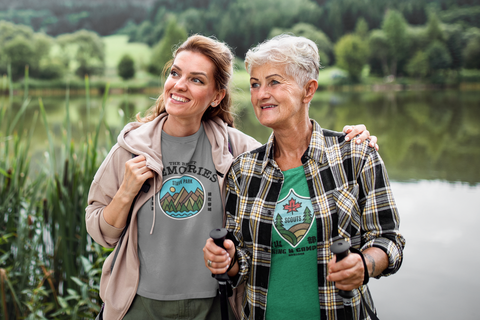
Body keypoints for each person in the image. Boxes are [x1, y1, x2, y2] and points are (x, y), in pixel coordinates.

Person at [86, 34, 377, 320]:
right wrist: (126, 192)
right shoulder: (131, 148)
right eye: (175, 73)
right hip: (139, 305)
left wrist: (353, 140)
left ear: (216, 96)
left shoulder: (238, 151)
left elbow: (289, 147)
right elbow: (101, 233)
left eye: (196, 79)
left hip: (215, 305)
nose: (179, 85)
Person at [203, 34, 405, 320]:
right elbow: (243, 260)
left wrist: (364, 264)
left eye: (274, 82)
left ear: (308, 90)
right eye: (255, 84)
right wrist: (227, 260)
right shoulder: (243, 170)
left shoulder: (356, 156)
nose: (261, 94)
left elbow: (389, 240)